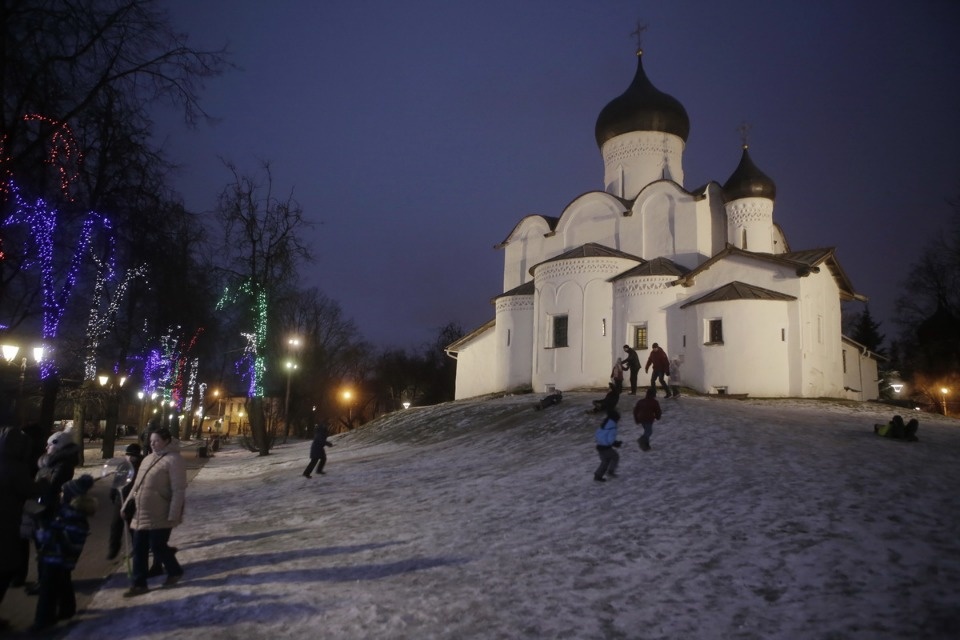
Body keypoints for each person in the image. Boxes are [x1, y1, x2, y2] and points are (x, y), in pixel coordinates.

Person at [122, 427, 186, 597]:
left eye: (156, 441)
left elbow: (178, 490)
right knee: (139, 548)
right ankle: (139, 583)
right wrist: (126, 504)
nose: (153, 444)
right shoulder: (147, 459)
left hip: (161, 512)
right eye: (151, 441)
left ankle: (174, 571)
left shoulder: (174, 460)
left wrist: (174, 514)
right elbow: (137, 485)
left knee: (157, 546)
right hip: (141, 512)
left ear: (166, 441)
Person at [30, 474, 97, 632]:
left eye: (64, 493)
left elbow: (61, 538)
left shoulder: (72, 516)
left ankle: (44, 620)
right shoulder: (68, 512)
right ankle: (67, 609)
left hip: (57, 556)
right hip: (61, 557)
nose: (61, 495)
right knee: (62, 581)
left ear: (72, 496)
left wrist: (43, 531)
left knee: (48, 588)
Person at [0, 425, 37, 629]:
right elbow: (29, 489)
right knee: (6, 567)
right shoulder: (16, 467)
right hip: (7, 523)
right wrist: (45, 484)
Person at [108, 443, 142, 560]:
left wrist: (134, 499)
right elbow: (116, 481)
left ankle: (137, 547)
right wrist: (113, 493)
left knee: (132, 527)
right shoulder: (123, 466)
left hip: (132, 502)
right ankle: (113, 548)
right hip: (120, 500)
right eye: (128, 455)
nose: (129, 458)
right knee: (115, 525)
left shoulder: (141, 468)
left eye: (132, 456)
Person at [593, 408, 622, 482]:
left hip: (599, 445)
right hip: (606, 447)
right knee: (615, 457)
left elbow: (598, 434)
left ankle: (598, 475)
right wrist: (616, 443)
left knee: (605, 461)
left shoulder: (604, 424)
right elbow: (610, 439)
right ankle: (610, 472)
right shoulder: (612, 427)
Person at [633, 386, 663, 451]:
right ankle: (642, 440)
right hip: (648, 419)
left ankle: (646, 446)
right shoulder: (654, 402)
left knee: (647, 431)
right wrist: (658, 417)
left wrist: (637, 419)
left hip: (641, 418)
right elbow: (658, 411)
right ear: (654, 394)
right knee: (649, 432)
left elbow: (635, 411)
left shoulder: (641, 401)